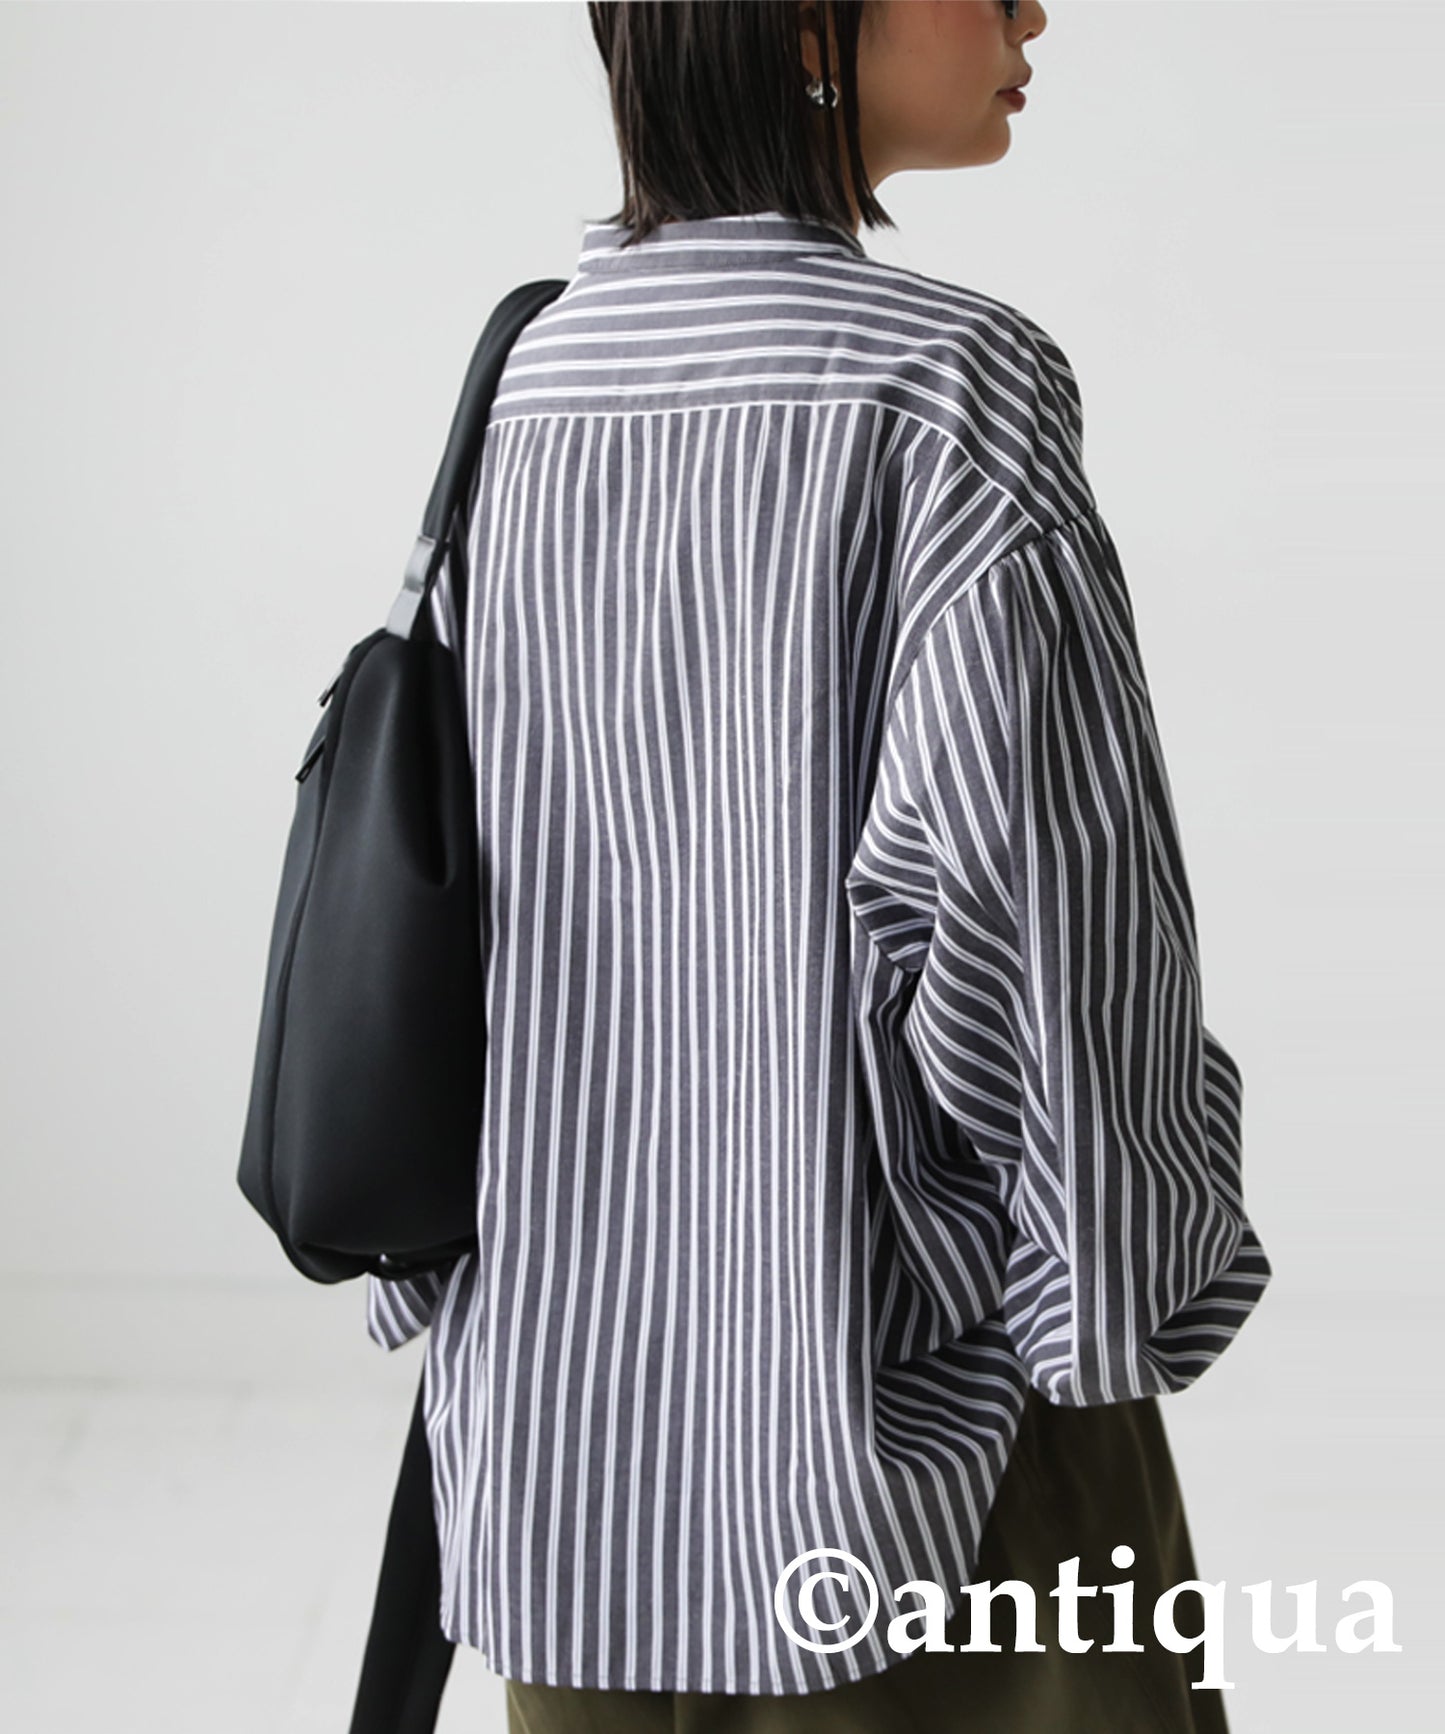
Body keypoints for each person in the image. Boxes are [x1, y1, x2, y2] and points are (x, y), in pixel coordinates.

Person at [365, 4, 1273, 1729]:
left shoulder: (528, 378)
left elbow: (450, 896)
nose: (1028, 12)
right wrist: (1124, 1283)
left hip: (566, 1453)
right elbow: (1036, 915)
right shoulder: (950, 387)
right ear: (799, 18)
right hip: (914, 1455)